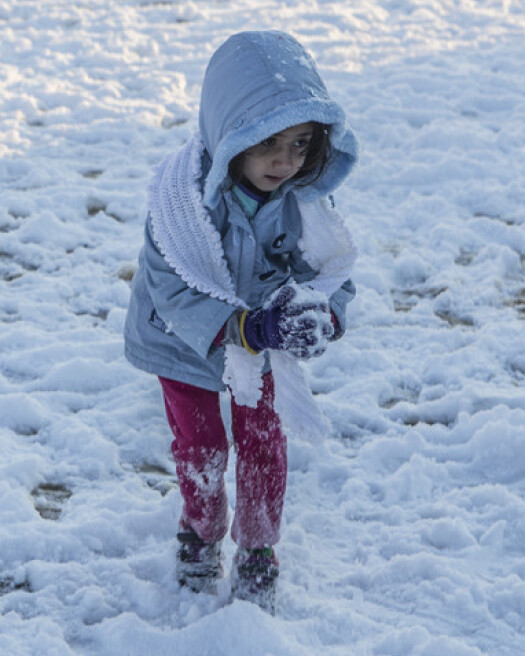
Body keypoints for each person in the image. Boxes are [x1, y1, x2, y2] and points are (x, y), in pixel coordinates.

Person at [123, 30, 360, 611]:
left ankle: (258, 549)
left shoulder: (302, 203)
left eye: (302, 144)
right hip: (182, 344)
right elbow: (170, 287)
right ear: (228, 135)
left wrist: (323, 314)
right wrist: (244, 329)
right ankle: (199, 536)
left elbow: (332, 271)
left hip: (261, 342)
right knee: (202, 446)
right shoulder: (180, 203)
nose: (287, 162)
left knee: (263, 444)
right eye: (269, 144)